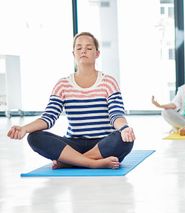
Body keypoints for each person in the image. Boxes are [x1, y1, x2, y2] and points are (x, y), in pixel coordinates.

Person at [7, 32, 135, 169]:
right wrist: (24, 129)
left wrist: (124, 128)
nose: (83, 51)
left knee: (125, 139)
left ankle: (71, 162)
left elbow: (116, 115)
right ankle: (93, 163)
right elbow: (48, 117)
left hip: (102, 144)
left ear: (97, 54)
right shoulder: (62, 85)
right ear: (73, 54)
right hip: (73, 145)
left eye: (89, 48)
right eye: (79, 48)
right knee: (34, 137)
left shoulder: (108, 82)